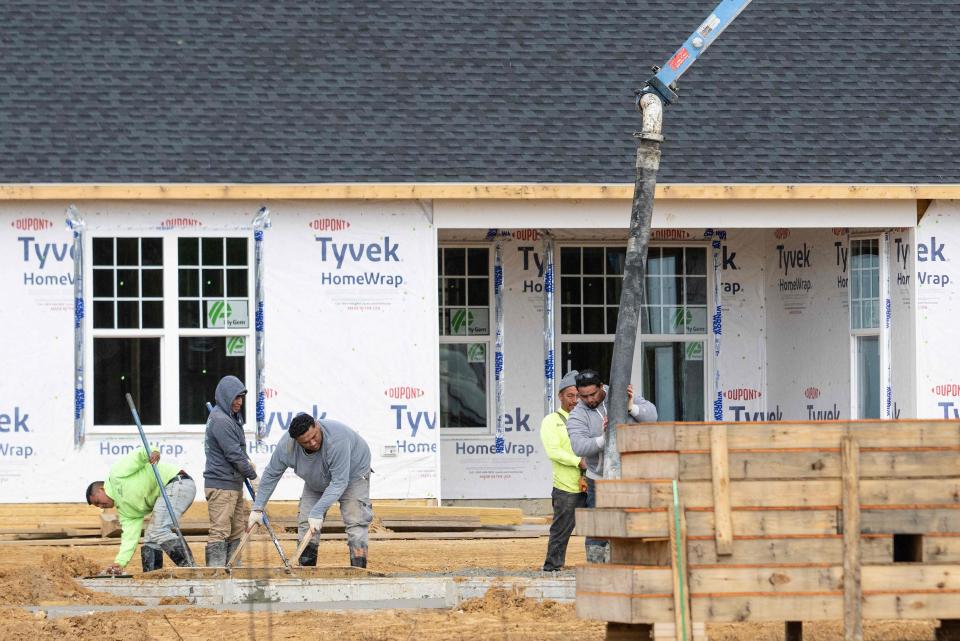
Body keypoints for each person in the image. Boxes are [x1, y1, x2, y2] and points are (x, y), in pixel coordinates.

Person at [248, 413, 373, 568]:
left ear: (317, 426)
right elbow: (271, 474)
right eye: (306, 442)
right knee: (306, 522)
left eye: (314, 436)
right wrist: (258, 507)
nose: (313, 443)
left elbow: (339, 482)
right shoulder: (287, 446)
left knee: (356, 520)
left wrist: (317, 511)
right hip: (317, 478)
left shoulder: (337, 439)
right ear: (296, 441)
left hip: (353, 474)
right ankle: (306, 572)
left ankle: (358, 570)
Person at [567, 368, 657, 563]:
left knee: (634, 521)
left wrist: (631, 407)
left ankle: (635, 561)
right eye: (584, 397)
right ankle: (596, 566)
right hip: (598, 480)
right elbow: (578, 446)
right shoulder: (578, 414)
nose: (589, 400)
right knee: (598, 528)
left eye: (593, 394)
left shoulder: (620, 395)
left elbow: (652, 417)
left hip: (631, 475)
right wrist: (604, 439)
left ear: (602, 387)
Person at [85, 449, 196, 573]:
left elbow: (138, 456)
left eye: (97, 501)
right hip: (169, 491)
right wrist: (120, 562)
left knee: (157, 530)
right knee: (150, 538)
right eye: (97, 506)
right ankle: (153, 577)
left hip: (177, 483)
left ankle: (190, 569)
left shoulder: (116, 475)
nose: (100, 506)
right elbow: (129, 538)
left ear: (101, 489)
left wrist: (152, 452)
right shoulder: (125, 511)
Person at [203, 375, 258, 567]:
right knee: (220, 531)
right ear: (226, 397)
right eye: (235, 398)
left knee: (236, 531)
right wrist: (253, 475)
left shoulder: (231, 418)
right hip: (221, 486)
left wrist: (248, 463)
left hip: (233, 484)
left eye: (241, 398)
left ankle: (234, 571)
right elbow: (233, 454)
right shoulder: (220, 420)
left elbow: (238, 450)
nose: (239, 402)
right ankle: (216, 575)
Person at [540, 370, 589, 572]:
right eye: (570, 396)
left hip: (591, 484)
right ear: (560, 396)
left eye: (578, 396)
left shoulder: (587, 417)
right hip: (566, 488)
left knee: (599, 529)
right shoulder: (552, 421)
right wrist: (577, 461)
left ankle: (599, 565)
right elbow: (554, 451)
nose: (575, 400)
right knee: (561, 531)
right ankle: (553, 567)